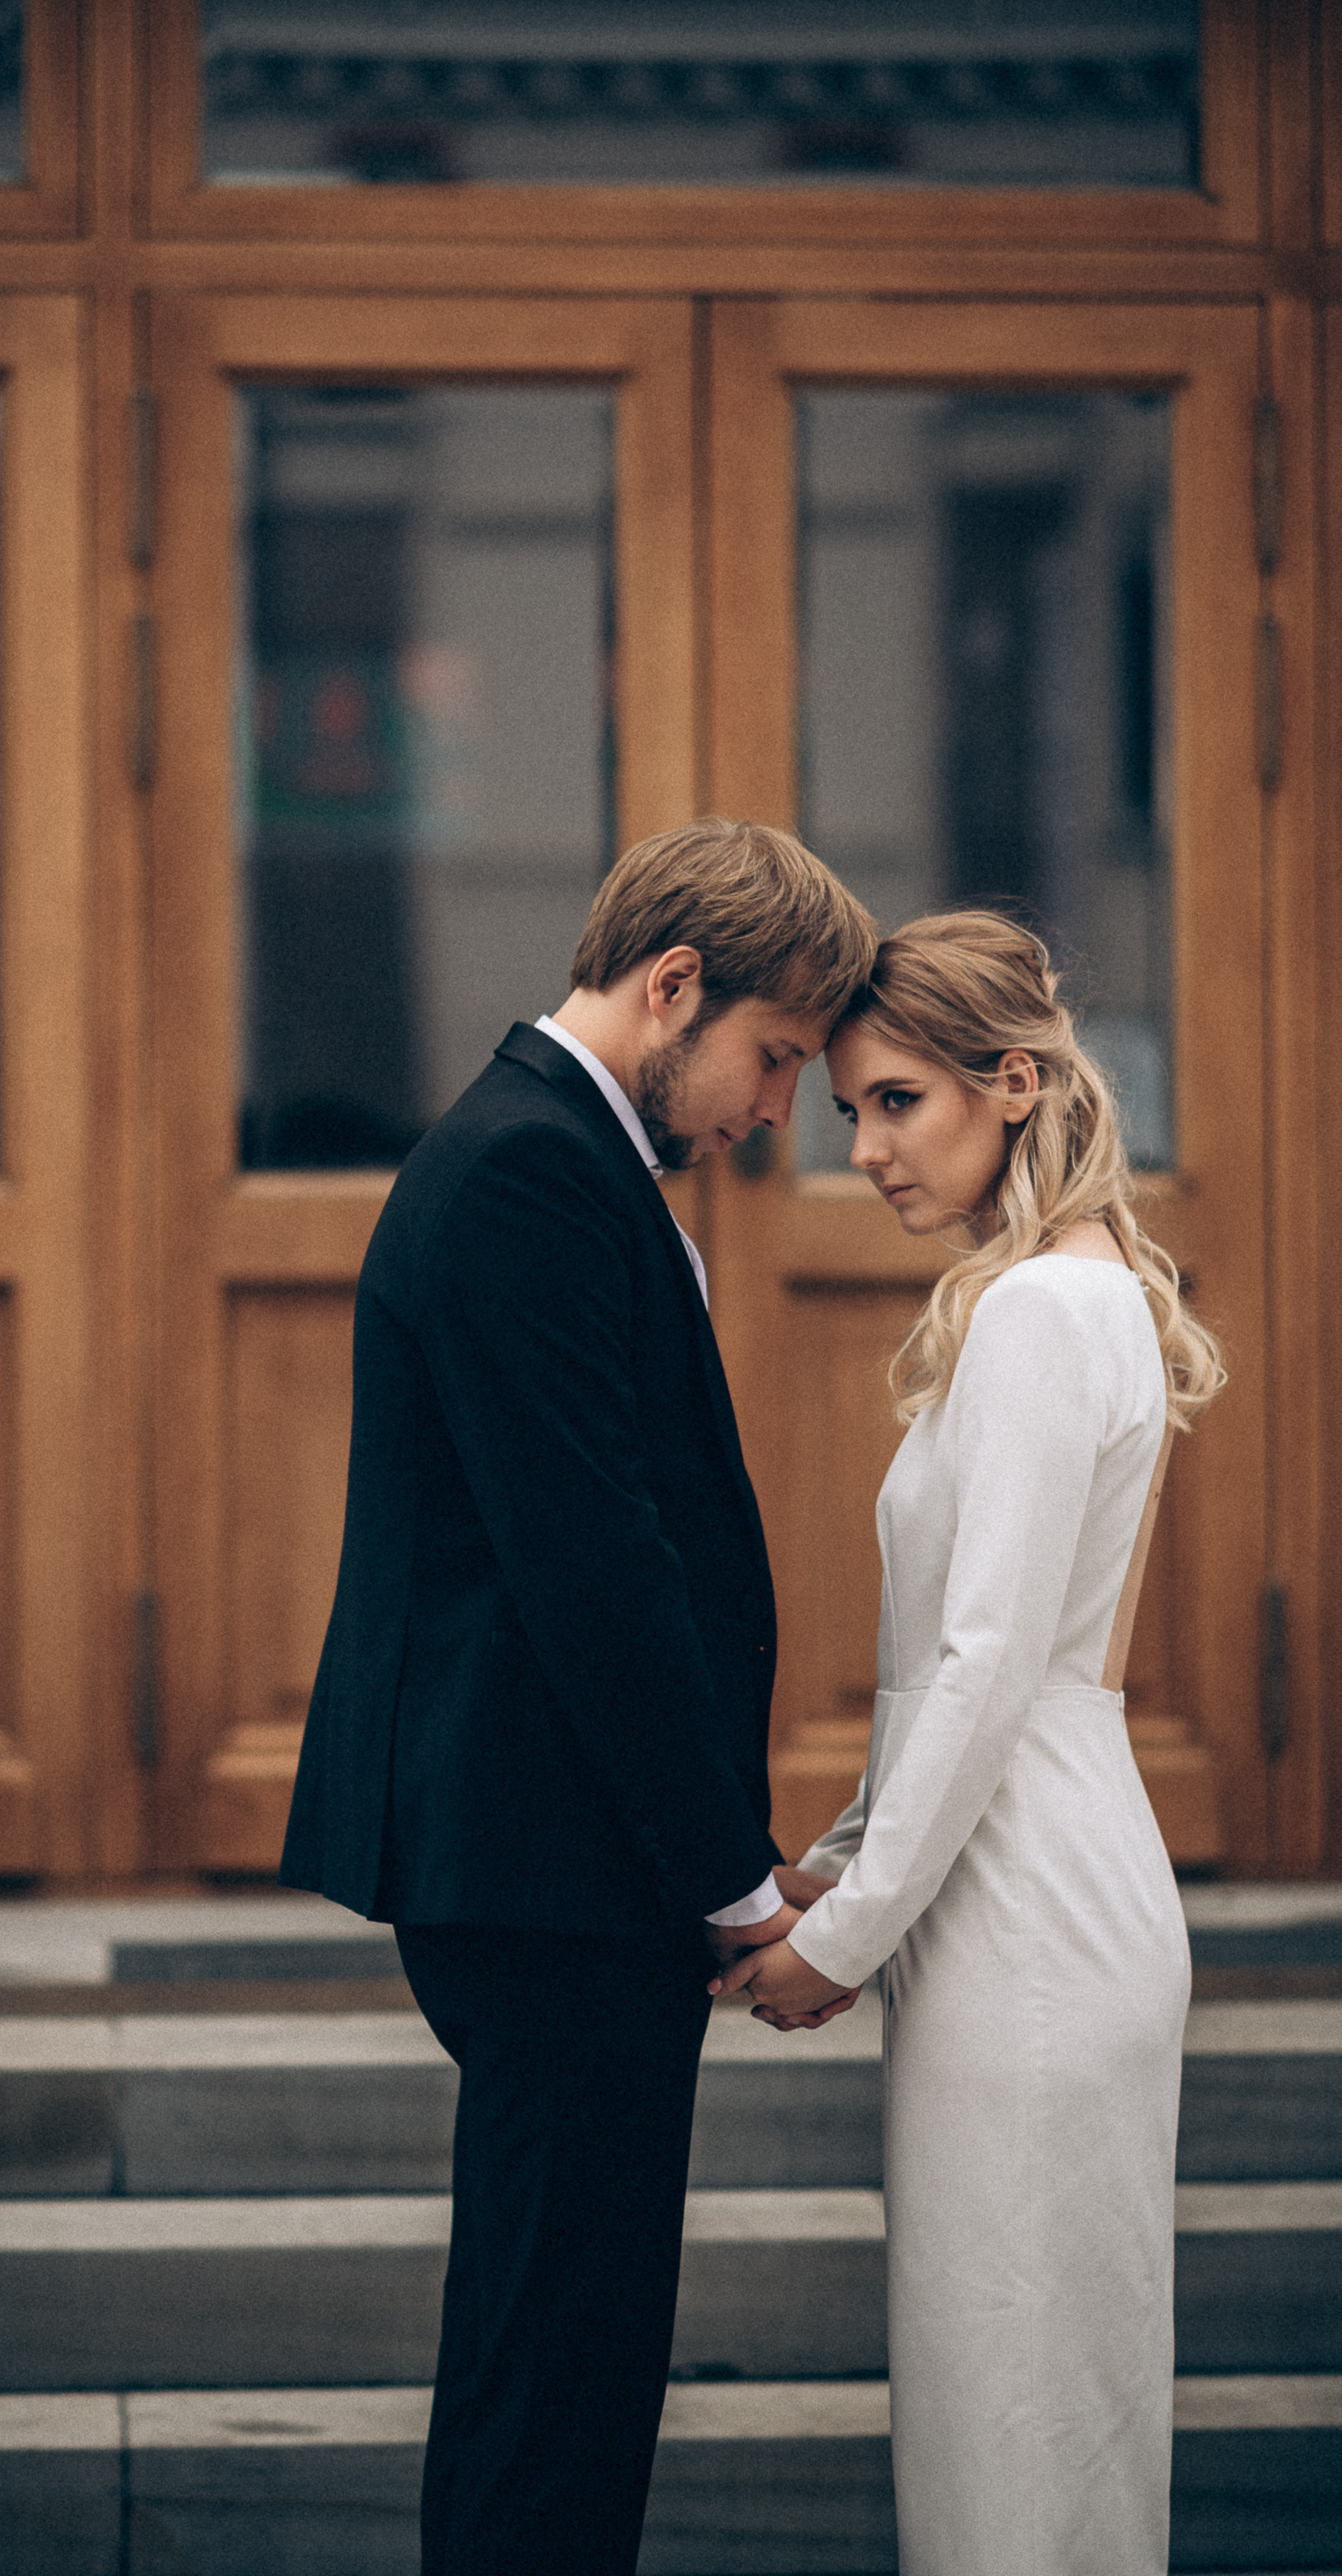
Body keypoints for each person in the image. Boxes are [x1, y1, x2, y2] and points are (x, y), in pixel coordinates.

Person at [280, 818, 877, 2576]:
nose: (776, 1111)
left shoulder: (562, 1154)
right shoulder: (533, 1169)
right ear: (671, 985)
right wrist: (736, 1877)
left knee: (571, 2349)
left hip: (563, 1855)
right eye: (772, 1057)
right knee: (559, 2369)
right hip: (549, 1870)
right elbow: (592, 1563)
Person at [713, 910, 1226, 2576]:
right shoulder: (1057, 1301)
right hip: (1006, 1883)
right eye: (848, 1108)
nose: (859, 1148)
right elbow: (955, 1667)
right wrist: (852, 1855)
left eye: (896, 1103)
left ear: (1013, 1085)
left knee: (1019, 2430)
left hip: (1030, 1923)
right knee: (1007, 2413)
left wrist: (842, 1937)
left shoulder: (1037, 1317)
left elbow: (996, 1658)